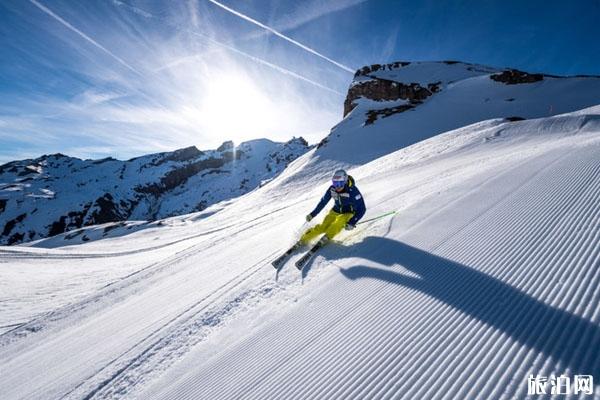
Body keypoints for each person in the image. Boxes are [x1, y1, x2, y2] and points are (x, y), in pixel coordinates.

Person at [301, 169, 366, 246]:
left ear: (345, 181)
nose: (338, 186)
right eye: (335, 183)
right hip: (335, 211)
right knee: (323, 227)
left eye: (340, 183)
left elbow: (362, 208)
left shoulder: (352, 191)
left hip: (349, 212)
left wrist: (352, 222)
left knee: (339, 222)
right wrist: (312, 214)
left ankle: (327, 237)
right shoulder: (332, 189)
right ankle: (304, 238)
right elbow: (323, 202)